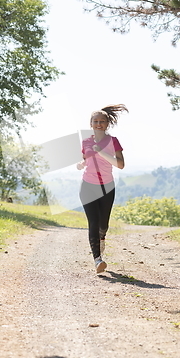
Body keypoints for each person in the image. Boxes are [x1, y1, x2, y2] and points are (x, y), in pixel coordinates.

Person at [77, 104, 128, 274]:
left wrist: (102, 153)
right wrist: (81, 164)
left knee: (103, 224)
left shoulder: (113, 141)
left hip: (107, 187)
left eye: (102, 121)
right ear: (91, 124)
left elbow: (120, 165)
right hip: (88, 186)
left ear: (107, 124)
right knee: (93, 222)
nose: (99, 124)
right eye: (95, 121)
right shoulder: (86, 142)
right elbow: (87, 159)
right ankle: (97, 259)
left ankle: (102, 236)